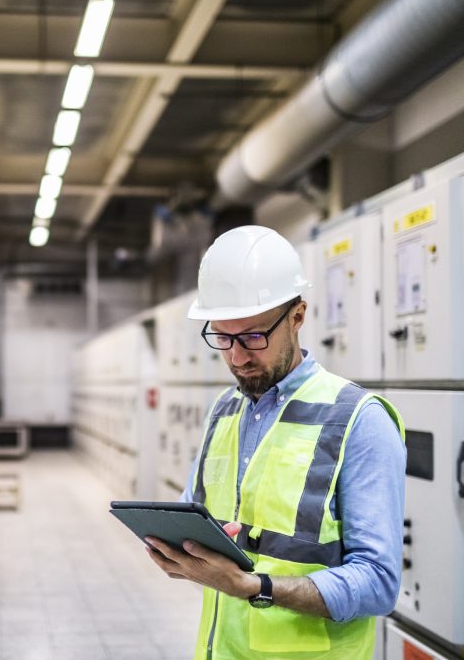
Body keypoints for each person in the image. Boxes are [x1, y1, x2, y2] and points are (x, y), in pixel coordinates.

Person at [144, 226, 406, 659]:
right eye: (222, 338)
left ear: (298, 316)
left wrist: (255, 587)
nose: (237, 357)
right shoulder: (225, 410)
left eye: (252, 337)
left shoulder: (359, 421)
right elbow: (193, 508)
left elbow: (378, 583)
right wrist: (176, 548)